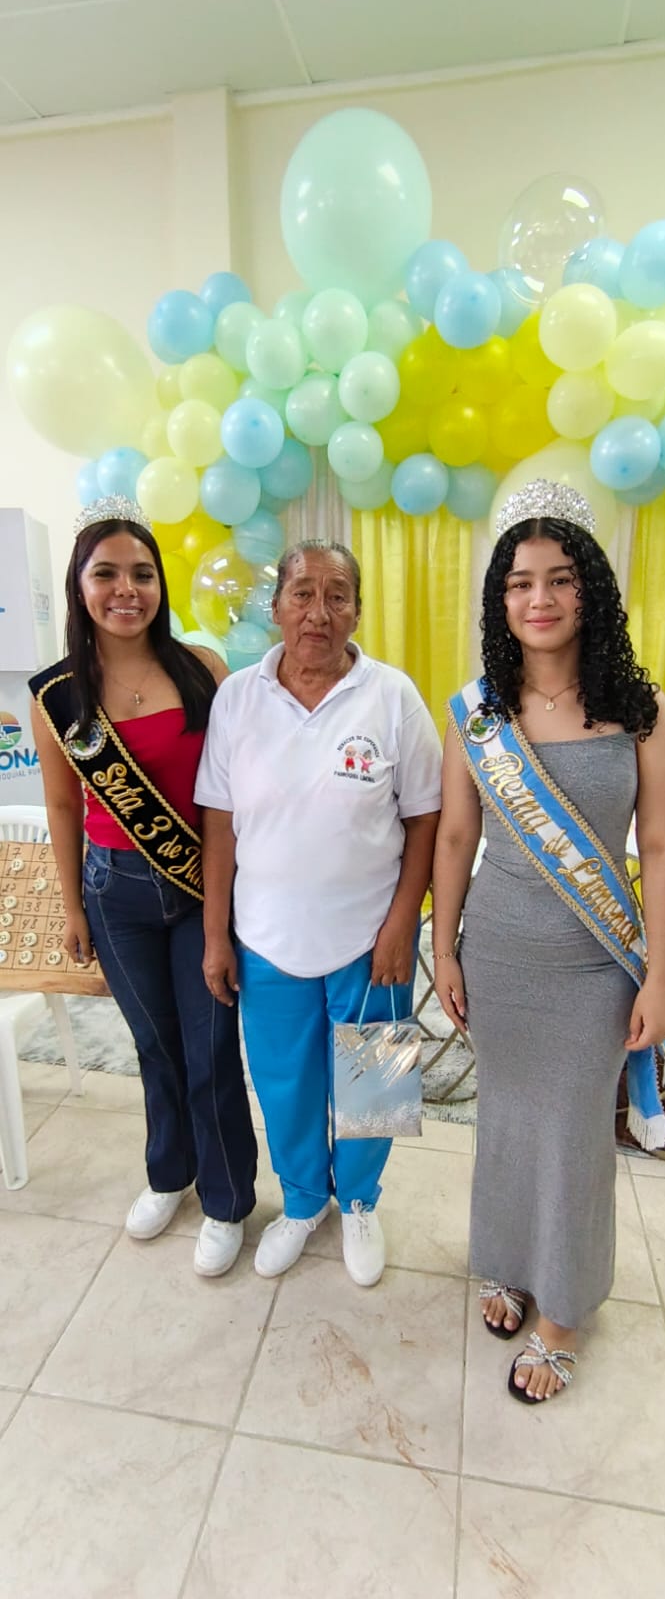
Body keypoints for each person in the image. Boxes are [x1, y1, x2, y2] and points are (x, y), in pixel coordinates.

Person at [432, 479, 665, 1402]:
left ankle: (567, 1307)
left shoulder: (641, 709)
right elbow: (453, 837)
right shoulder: (477, 713)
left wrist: (660, 979)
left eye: (558, 579)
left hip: (593, 967)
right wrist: (444, 948)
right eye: (518, 583)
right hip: (499, 953)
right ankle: (508, 1259)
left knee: (574, 1134)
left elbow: (663, 848)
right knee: (505, 1119)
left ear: (590, 591)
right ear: (499, 600)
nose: (537, 598)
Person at [196, 539, 441, 1288]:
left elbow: (426, 820)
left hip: (371, 940)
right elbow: (219, 824)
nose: (318, 612)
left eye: (337, 595)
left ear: (357, 611)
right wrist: (215, 936)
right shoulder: (238, 698)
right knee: (284, 1086)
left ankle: (360, 1201)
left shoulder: (391, 696)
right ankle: (303, 1203)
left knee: (375, 1082)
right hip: (267, 937)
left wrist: (402, 925)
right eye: (302, 593)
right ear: (275, 607)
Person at [29, 496, 258, 1278]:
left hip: (200, 892)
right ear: (79, 585)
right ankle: (169, 1173)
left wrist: (227, 911)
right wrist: (71, 907)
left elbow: (229, 798)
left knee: (210, 1048)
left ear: (161, 584)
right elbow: (64, 805)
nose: (125, 590)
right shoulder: (57, 695)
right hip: (113, 893)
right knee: (155, 1046)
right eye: (106, 574)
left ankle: (226, 1200)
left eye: (142, 573)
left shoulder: (202, 669)